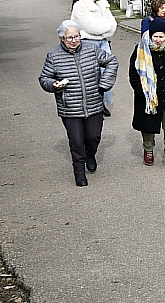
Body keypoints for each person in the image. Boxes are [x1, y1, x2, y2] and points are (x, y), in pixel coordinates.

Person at [38, 20, 119, 187]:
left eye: (77, 36)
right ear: (62, 38)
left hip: (94, 103)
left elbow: (112, 61)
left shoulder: (91, 50)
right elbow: (44, 78)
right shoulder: (53, 56)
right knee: (76, 140)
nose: (74, 40)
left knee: (93, 137)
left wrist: (104, 85)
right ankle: (79, 171)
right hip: (69, 107)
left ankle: (90, 155)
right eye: (70, 38)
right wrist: (53, 85)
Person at [129, 18, 165, 169]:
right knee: (148, 127)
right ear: (150, 35)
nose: (158, 40)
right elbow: (134, 73)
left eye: (161, 36)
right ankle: (148, 150)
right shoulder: (141, 49)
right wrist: (142, 92)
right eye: (155, 36)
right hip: (149, 96)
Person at [71, 0, 118, 117]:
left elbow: (113, 24)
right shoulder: (80, 6)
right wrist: (105, 26)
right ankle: (92, 105)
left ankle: (103, 102)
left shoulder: (103, 4)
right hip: (88, 42)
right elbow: (91, 27)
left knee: (107, 72)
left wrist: (104, 28)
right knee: (91, 74)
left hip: (103, 41)